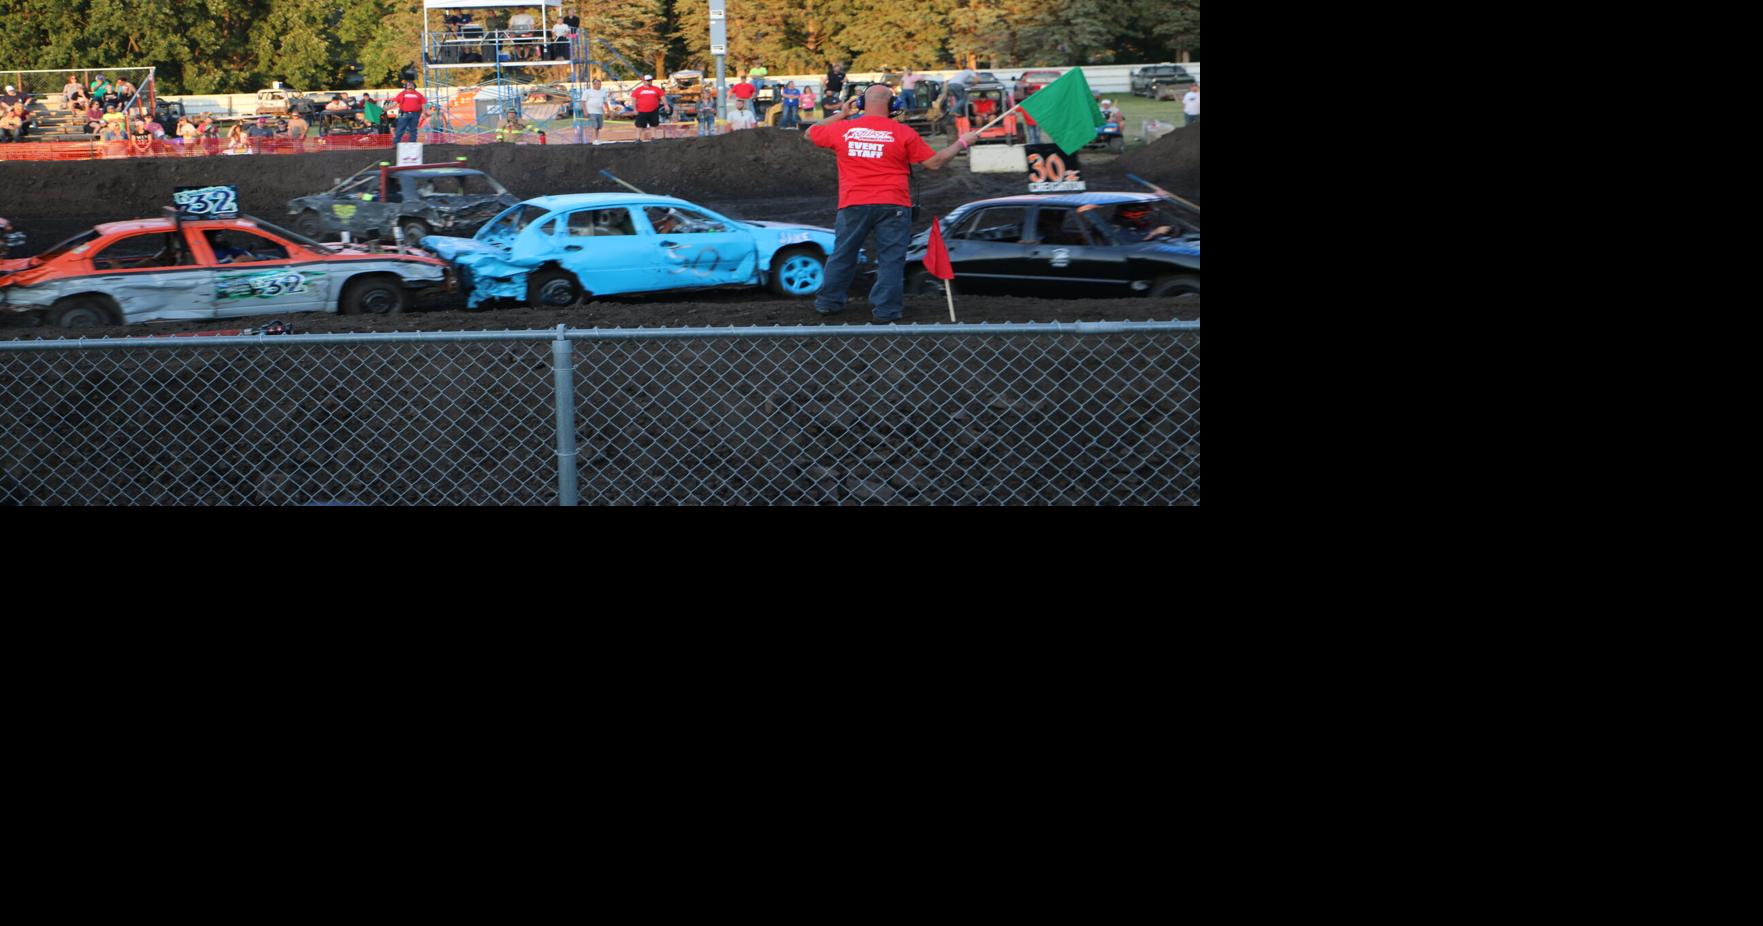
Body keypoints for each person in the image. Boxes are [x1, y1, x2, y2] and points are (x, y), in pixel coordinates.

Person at [807, 85, 980, 323]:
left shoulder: (843, 129)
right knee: (891, 259)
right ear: (893, 106)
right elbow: (934, 163)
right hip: (894, 204)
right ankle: (886, 310)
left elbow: (810, 133)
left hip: (853, 203)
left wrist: (842, 114)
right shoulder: (903, 133)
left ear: (860, 104)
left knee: (843, 254)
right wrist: (962, 142)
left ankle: (828, 303)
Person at [629, 74, 665, 142]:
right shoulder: (638, 90)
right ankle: (638, 138)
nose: (649, 82)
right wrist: (634, 109)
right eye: (648, 81)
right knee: (639, 125)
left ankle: (653, 137)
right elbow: (633, 99)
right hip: (641, 110)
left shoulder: (657, 89)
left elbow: (662, 96)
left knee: (653, 124)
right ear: (644, 81)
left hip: (654, 110)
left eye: (650, 80)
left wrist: (666, 105)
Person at [392, 80, 426, 144]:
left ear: (414, 86)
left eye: (411, 84)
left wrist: (424, 113)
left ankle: (412, 144)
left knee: (413, 130)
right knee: (400, 129)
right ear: (405, 86)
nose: (410, 85)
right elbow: (394, 103)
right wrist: (386, 108)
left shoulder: (419, 95)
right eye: (408, 84)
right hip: (404, 114)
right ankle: (396, 144)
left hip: (415, 114)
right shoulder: (401, 94)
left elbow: (423, 105)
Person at [581, 77, 611, 144]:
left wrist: (608, 111)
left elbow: (605, 102)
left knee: (599, 126)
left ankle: (596, 139)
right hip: (591, 111)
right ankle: (594, 140)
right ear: (593, 85)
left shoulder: (603, 91)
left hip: (599, 112)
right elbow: (583, 102)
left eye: (599, 84)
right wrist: (585, 111)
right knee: (595, 125)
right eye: (597, 84)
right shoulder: (587, 91)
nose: (598, 85)